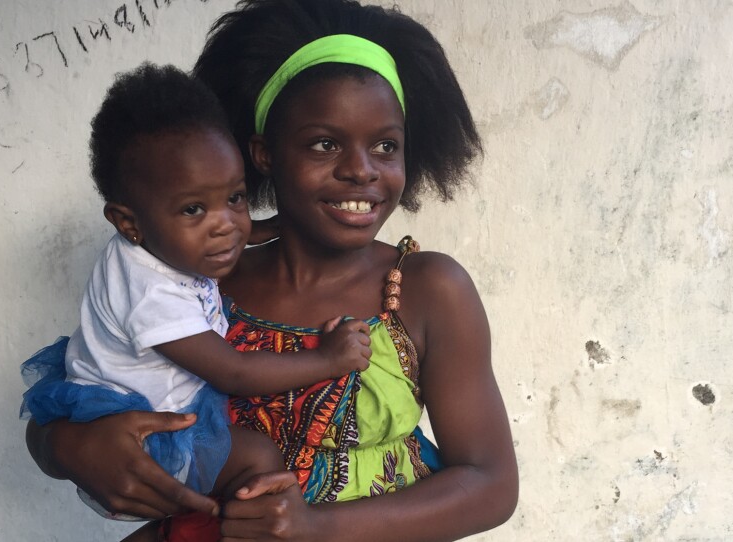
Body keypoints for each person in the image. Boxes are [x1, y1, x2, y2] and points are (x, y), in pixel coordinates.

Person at [26, 1, 519, 540]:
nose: (360, 169)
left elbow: (491, 484)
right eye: (324, 144)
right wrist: (68, 447)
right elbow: (82, 388)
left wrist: (316, 527)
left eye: (385, 145)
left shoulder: (429, 290)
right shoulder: (199, 279)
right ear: (263, 153)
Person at [20, 62, 371, 521]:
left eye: (236, 198)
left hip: (125, 400)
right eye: (193, 209)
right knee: (258, 459)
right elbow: (235, 375)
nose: (226, 226)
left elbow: (215, 228)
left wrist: (268, 226)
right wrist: (329, 359)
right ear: (129, 223)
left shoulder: (159, 244)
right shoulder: (152, 295)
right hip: (149, 441)